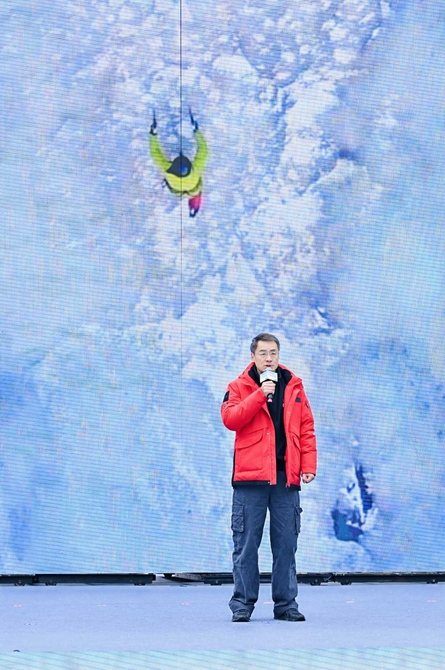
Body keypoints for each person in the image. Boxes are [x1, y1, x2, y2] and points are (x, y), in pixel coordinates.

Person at [221, 333, 317, 622]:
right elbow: (231, 419)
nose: (268, 358)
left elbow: (306, 427)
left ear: (279, 355)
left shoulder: (294, 386)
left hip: (286, 478)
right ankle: (242, 604)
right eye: (262, 353)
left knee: (286, 544)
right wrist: (259, 394)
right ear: (252, 356)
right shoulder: (238, 387)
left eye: (273, 353)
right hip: (251, 480)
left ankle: (286, 604)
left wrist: (308, 465)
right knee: (246, 546)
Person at [149, 110, 208, 217]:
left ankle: (194, 207)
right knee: (195, 192)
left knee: (195, 193)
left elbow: (155, 152)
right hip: (185, 188)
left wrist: (153, 134)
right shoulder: (195, 169)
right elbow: (203, 150)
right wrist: (196, 131)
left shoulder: (168, 168)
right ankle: (194, 208)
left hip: (178, 189)